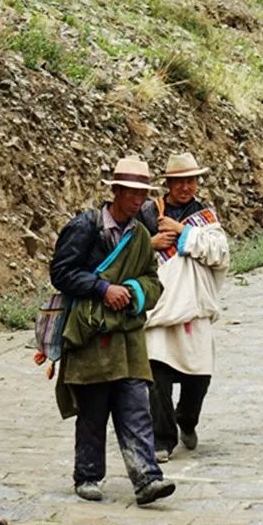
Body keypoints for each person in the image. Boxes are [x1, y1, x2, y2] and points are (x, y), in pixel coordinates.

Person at [49, 156, 174, 505]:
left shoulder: (140, 236)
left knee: (136, 405)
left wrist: (134, 291)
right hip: (90, 334)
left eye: (143, 194)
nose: (138, 201)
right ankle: (87, 475)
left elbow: (152, 281)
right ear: (115, 191)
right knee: (93, 408)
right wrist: (103, 289)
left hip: (127, 336)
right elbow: (61, 273)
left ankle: (147, 477)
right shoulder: (84, 227)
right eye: (132, 193)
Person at [139, 153, 229, 463]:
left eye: (191, 181)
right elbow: (129, 250)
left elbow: (220, 253)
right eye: (180, 181)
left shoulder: (204, 217)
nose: (186, 187)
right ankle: (162, 439)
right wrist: (151, 245)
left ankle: (187, 420)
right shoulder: (147, 214)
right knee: (156, 376)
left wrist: (183, 232)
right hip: (160, 311)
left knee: (198, 376)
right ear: (169, 184)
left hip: (194, 308)